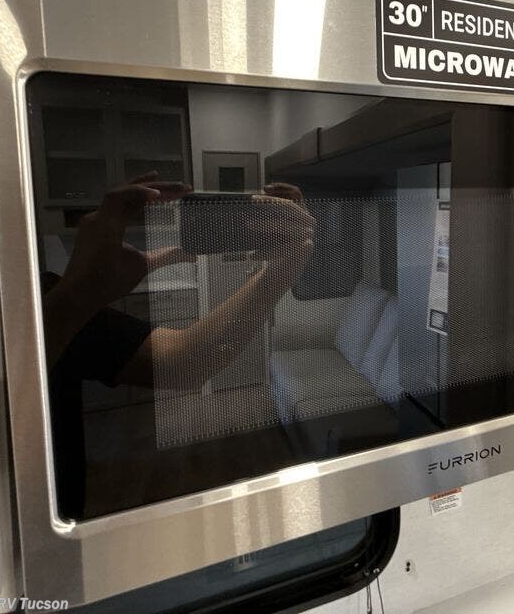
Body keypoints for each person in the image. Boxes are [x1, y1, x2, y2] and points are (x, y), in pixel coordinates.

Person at [40, 172, 314, 517]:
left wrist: (285, 264)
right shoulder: (54, 304)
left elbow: (186, 363)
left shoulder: (50, 300)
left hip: (61, 510)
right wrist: (78, 295)